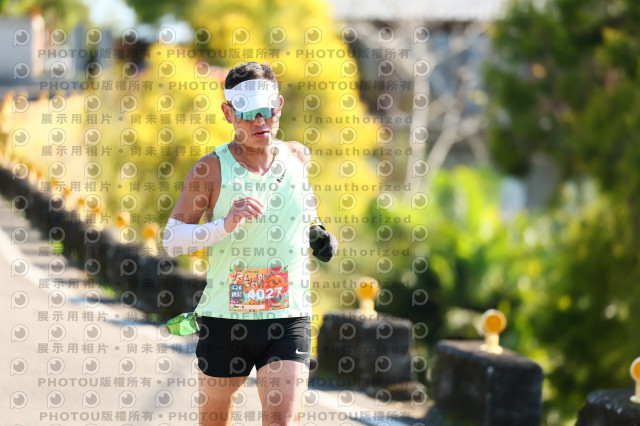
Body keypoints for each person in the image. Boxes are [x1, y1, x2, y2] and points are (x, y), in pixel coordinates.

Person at [162, 61, 338, 426]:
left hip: (288, 314)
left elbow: (306, 210)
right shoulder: (210, 169)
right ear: (229, 113)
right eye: (248, 112)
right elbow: (172, 241)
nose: (260, 121)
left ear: (279, 106)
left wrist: (319, 233)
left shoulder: (297, 156)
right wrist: (223, 225)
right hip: (226, 318)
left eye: (267, 110)